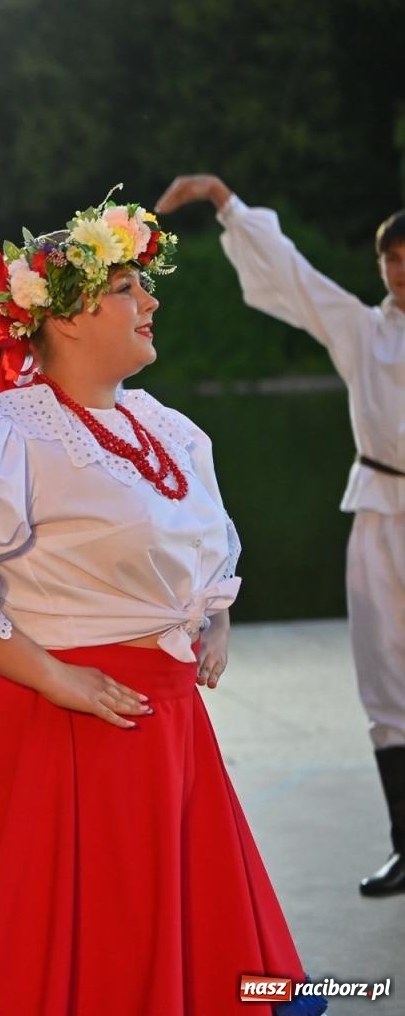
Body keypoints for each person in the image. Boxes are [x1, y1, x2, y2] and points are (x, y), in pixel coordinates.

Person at [0, 197, 322, 1015]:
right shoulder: (10, 431)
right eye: (128, 287)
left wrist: (211, 618)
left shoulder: (169, 429)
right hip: (59, 731)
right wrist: (50, 674)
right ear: (67, 316)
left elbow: (207, 550)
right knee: (65, 963)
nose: (150, 301)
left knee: (176, 957)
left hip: (165, 729)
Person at [156, 174, 405, 898]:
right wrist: (224, 201)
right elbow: (294, 279)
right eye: (391, 257)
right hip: (380, 509)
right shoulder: (363, 328)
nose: (399, 269)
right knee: (385, 674)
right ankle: (404, 842)